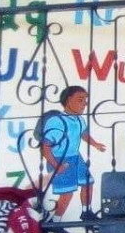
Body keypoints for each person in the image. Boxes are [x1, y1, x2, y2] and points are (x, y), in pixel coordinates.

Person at [39, 85, 107, 221]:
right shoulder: (57, 121)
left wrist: (95, 144)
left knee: (88, 183)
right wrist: (56, 165)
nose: (84, 105)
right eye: (80, 100)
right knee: (67, 192)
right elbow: (45, 148)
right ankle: (55, 221)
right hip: (60, 159)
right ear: (69, 100)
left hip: (76, 157)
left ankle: (86, 212)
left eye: (85, 101)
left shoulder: (79, 119)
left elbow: (84, 134)